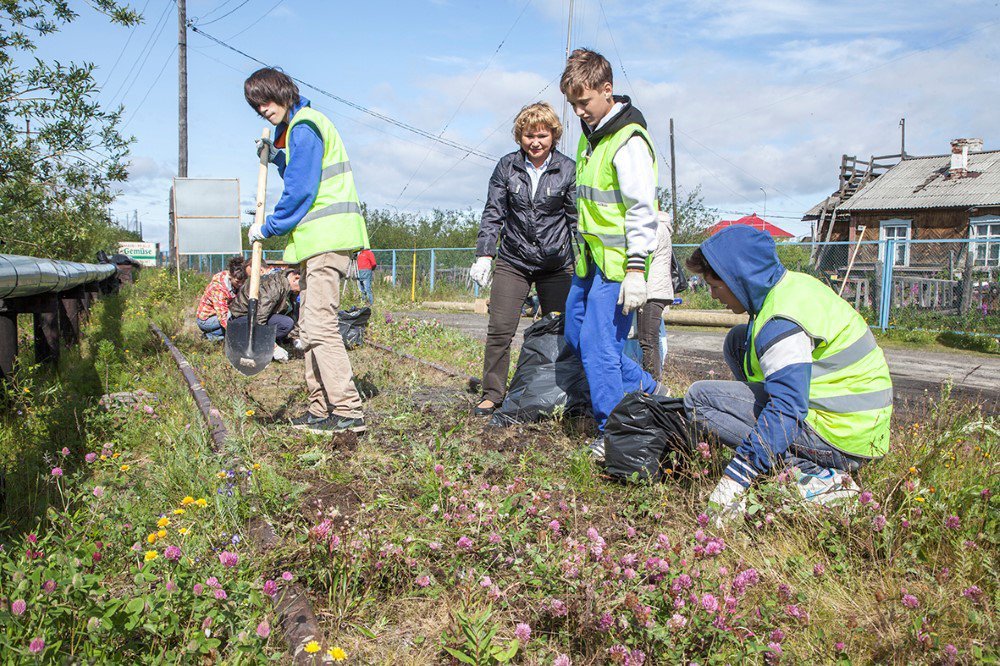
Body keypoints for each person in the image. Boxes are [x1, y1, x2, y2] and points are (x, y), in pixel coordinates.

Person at [683, 226, 893, 526]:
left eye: (715, 286)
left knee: (698, 399)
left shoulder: (780, 323)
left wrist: (735, 478)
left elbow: (788, 407)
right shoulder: (793, 286)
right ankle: (777, 447)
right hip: (861, 425)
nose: (713, 296)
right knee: (738, 341)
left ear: (737, 279)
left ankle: (814, 474)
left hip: (840, 438)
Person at [244, 67, 369, 434]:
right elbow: (300, 172)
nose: (263, 110)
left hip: (328, 240)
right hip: (318, 242)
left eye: (265, 100)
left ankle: (347, 411)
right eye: (257, 107)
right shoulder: (300, 128)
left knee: (321, 327)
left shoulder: (305, 126)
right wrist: (276, 159)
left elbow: (301, 190)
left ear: (282, 92)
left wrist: (266, 228)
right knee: (309, 327)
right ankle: (319, 409)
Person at [559, 49, 667, 459]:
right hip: (590, 263)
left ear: (607, 90)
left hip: (620, 266)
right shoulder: (595, 138)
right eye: (573, 105)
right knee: (576, 336)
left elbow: (643, 211)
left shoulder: (628, 141)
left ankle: (612, 431)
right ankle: (651, 390)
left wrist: (636, 270)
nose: (578, 111)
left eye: (584, 102)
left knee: (600, 346)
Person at [469, 102, 577, 416]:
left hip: (555, 263)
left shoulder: (567, 169)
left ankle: (562, 393)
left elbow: (575, 220)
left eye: (542, 135)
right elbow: (494, 213)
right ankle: (493, 394)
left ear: (554, 135)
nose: (535, 142)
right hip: (513, 259)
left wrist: (583, 261)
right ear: (520, 136)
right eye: (529, 135)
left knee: (561, 329)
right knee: (500, 328)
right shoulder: (507, 167)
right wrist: (485, 255)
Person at [227, 269, 301, 362]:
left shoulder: (290, 289)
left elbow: (291, 315)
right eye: (303, 285)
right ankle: (249, 344)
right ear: (296, 278)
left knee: (286, 323)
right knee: (284, 323)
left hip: (258, 316)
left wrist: (294, 339)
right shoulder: (274, 286)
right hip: (242, 318)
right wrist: (273, 347)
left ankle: (260, 344)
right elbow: (259, 317)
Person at [636, 210, 674, 380]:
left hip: (652, 290)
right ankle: (653, 380)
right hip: (658, 289)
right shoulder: (661, 226)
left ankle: (653, 383)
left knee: (647, 341)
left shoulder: (654, 227)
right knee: (651, 339)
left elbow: (643, 258)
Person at [195, 256, 247, 341]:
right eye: (237, 281)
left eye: (243, 281)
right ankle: (209, 337)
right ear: (230, 276)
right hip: (207, 319)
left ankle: (215, 335)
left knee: (239, 320)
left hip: (221, 314)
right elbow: (223, 317)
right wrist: (235, 334)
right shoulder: (219, 289)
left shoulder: (235, 281)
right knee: (235, 323)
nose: (240, 284)